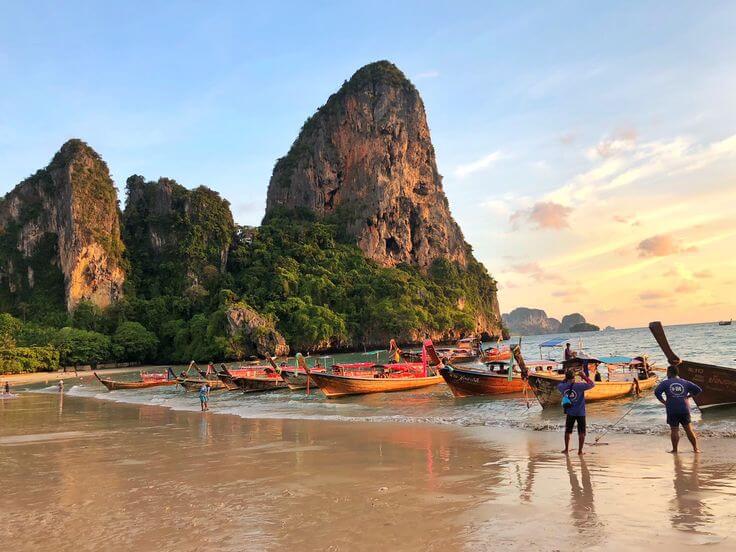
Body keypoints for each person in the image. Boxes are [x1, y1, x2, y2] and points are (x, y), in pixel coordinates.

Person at [655, 365, 702, 454]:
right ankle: (696, 449)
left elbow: (657, 392)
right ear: (677, 373)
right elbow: (698, 390)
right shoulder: (685, 382)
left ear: (669, 372)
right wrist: (688, 396)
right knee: (688, 429)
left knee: (674, 430)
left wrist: (664, 402)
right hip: (684, 408)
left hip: (672, 409)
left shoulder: (665, 383)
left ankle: (675, 450)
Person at [557, 369, 595, 455]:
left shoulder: (562, 387)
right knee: (581, 432)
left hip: (570, 412)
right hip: (581, 412)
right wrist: (584, 376)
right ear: (574, 377)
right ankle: (580, 451)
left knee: (568, 431)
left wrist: (566, 379)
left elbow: (559, 384)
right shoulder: (580, 386)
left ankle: (566, 449)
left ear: (566, 377)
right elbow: (592, 384)